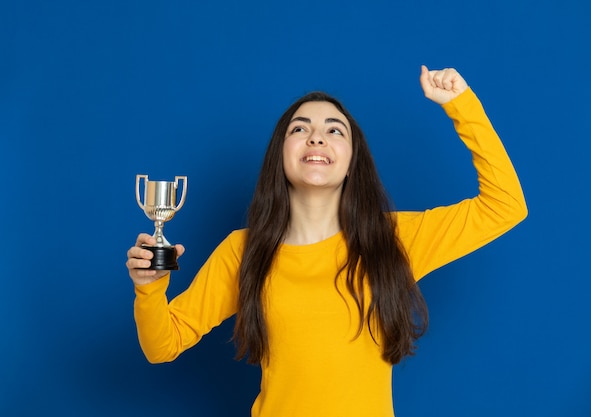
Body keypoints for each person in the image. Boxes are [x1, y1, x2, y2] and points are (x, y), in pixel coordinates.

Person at [126, 65, 527, 417]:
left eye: (334, 131)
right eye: (299, 129)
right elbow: (163, 345)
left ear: (353, 160)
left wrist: (462, 105)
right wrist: (148, 290)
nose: (316, 138)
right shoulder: (243, 250)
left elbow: (506, 205)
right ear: (280, 155)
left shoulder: (393, 240)